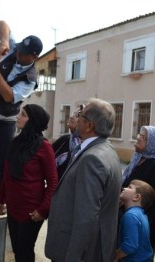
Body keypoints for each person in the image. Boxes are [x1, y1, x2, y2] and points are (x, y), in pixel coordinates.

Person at [45, 98, 122, 262]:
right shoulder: (104, 149)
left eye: (81, 114)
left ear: (89, 125)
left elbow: (86, 216)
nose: (76, 117)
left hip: (79, 252)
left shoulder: (93, 159)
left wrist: (74, 257)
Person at [0, 20, 43, 202]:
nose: (17, 53)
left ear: (33, 57)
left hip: (6, 120)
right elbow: (3, 23)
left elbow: (8, 96)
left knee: (3, 162)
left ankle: (0, 199)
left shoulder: (30, 80)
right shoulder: (15, 50)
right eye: (17, 49)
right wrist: (4, 41)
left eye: (23, 53)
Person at [0, 104, 58, 262]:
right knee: (17, 250)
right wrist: (1, 200)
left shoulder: (44, 147)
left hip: (32, 212)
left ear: (33, 121)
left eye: (23, 114)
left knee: (25, 251)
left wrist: (43, 210)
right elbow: (7, 175)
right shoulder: (15, 142)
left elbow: (52, 182)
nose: (18, 116)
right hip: (13, 207)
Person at [121, 125, 155, 255]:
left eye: (144, 137)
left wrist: (137, 200)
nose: (138, 138)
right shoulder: (137, 159)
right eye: (139, 134)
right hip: (131, 221)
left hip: (147, 223)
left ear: (153, 143)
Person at [116, 179, 155, 262]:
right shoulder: (139, 214)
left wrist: (115, 256)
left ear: (136, 197)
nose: (124, 188)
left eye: (129, 187)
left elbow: (130, 246)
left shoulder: (130, 216)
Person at [52, 105, 82, 179]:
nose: (71, 117)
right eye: (73, 114)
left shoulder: (86, 147)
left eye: (77, 115)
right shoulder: (64, 139)